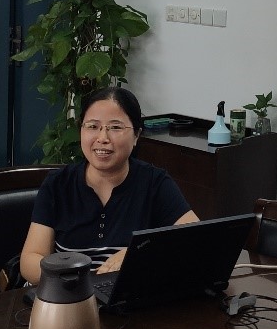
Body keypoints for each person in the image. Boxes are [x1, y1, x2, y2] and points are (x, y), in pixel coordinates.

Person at [20, 87, 198, 283]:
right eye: (92, 126)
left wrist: (137, 254)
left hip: (127, 294)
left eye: (115, 127)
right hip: (67, 294)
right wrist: (76, 282)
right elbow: (30, 260)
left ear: (136, 135)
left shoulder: (154, 183)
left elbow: (194, 238)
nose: (102, 138)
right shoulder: (58, 184)